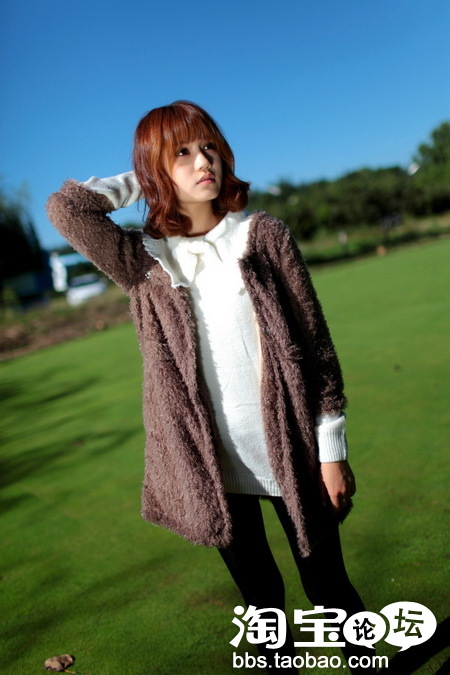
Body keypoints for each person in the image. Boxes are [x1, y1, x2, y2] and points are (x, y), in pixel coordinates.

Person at [47, 101, 375, 674]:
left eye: (209, 148)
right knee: (262, 602)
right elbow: (66, 208)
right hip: (210, 464)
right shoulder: (143, 261)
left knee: (330, 588)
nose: (204, 162)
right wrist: (146, 178)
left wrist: (333, 450)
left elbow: (317, 348)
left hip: (291, 450)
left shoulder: (263, 235)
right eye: (182, 153)